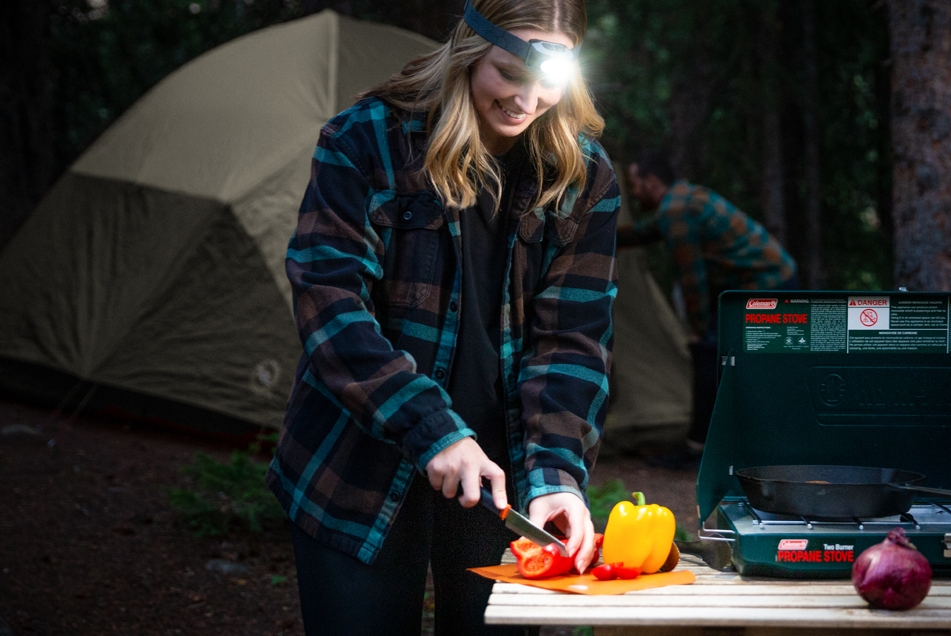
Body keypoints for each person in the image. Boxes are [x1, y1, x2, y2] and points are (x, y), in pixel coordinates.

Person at [266, 0, 620, 633]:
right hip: (356, 462)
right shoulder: (365, 139)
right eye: (510, 72)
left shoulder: (584, 176)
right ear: (468, 52)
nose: (527, 99)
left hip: (503, 476)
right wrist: (431, 427)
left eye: (549, 82)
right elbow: (330, 302)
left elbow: (573, 340)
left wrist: (557, 474)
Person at [618, 150, 796, 468]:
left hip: (766, 284)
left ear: (651, 180)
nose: (633, 192)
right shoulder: (679, 200)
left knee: (708, 354)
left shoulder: (676, 209)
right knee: (719, 356)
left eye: (635, 183)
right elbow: (645, 233)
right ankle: (723, 443)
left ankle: (701, 449)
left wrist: (698, 328)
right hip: (763, 280)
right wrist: (601, 235)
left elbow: (693, 279)